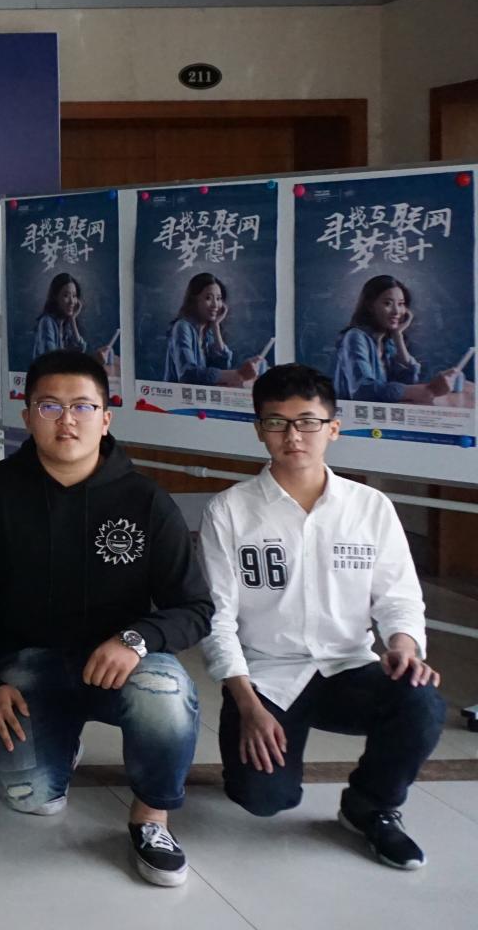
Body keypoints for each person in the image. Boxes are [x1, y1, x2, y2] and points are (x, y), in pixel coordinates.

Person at [0, 350, 211, 888]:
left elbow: (195, 608)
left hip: (121, 664)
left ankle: (152, 817)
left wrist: (136, 638)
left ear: (105, 419)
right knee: (29, 797)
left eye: (83, 407)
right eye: (51, 406)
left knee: (165, 691)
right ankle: (60, 737)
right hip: (28, 666)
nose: (67, 420)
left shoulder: (146, 500)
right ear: (27, 416)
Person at [201, 363, 444, 869]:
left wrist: (403, 644)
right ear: (259, 430)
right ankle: (260, 756)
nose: (293, 436)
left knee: (420, 699)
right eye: (277, 422)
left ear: (333, 428)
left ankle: (370, 806)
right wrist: (246, 703)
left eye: (308, 422)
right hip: (267, 677)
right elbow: (216, 618)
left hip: (347, 667)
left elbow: (398, 596)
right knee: (263, 799)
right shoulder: (229, 511)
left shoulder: (370, 507)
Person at [332, 274, 460, 404]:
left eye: (400, 304)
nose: (396, 311)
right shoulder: (355, 337)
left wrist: (398, 336)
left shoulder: (387, 342)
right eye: (387, 303)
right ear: (370, 306)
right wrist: (426, 390)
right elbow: (363, 391)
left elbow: (407, 383)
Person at [162, 272, 264, 387]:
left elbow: (221, 369)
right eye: (208, 298)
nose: (215, 305)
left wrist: (216, 327)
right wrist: (238, 374)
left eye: (219, 298)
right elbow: (187, 374)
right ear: (194, 300)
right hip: (176, 396)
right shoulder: (182, 327)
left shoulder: (208, 333)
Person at [31, 273, 86, 360]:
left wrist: (73, 320)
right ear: (55, 297)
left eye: (74, 296)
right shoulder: (46, 322)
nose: (72, 301)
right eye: (66, 295)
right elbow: (52, 358)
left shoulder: (66, 323)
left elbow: (81, 349)